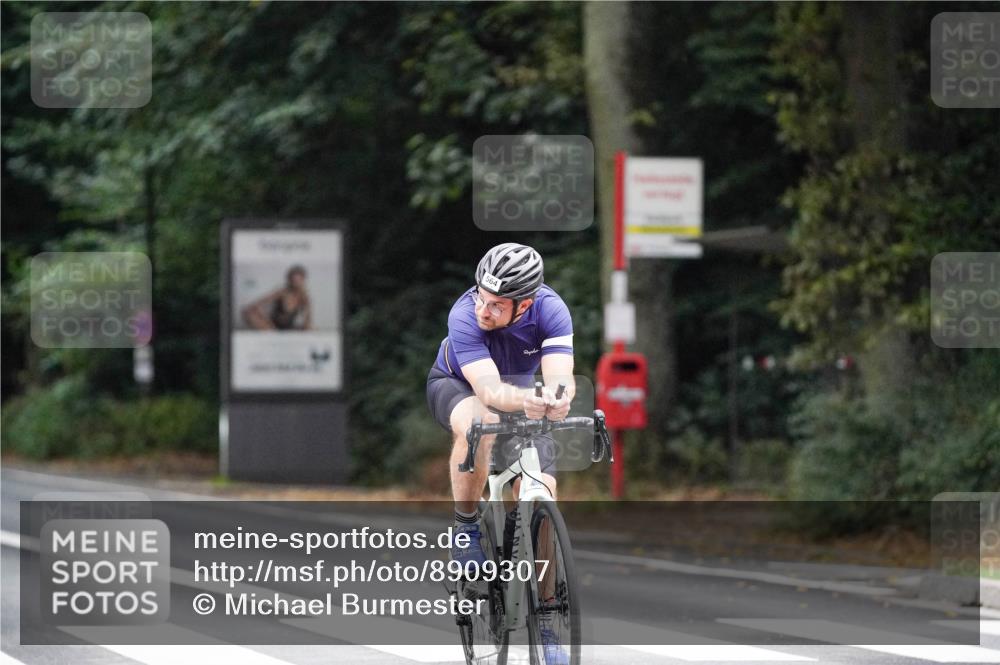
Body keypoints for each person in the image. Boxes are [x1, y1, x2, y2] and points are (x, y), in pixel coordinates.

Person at [426, 242, 574, 665]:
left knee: (542, 492)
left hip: (522, 395)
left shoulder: (551, 310)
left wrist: (558, 398)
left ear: (525, 304)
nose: (483, 310)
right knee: (479, 424)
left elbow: (560, 374)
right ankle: (466, 526)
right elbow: (489, 391)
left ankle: (546, 620)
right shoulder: (463, 314)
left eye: (496, 305)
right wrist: (529, 398)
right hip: (458, 386)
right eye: (481, 297)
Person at [241, 265, 312, 330]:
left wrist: (306, 328)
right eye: (293, 280)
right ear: (289, 280)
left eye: (298, 280)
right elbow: (260, 302)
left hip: (289, 328)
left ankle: (277, 335)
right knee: (247, 311)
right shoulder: (282, 292)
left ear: (303, 280)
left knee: (309, 329)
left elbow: (307, 319)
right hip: (272, 326)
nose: (295, 283)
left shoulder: (304, 297)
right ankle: (272, 333)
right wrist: (262, 317)